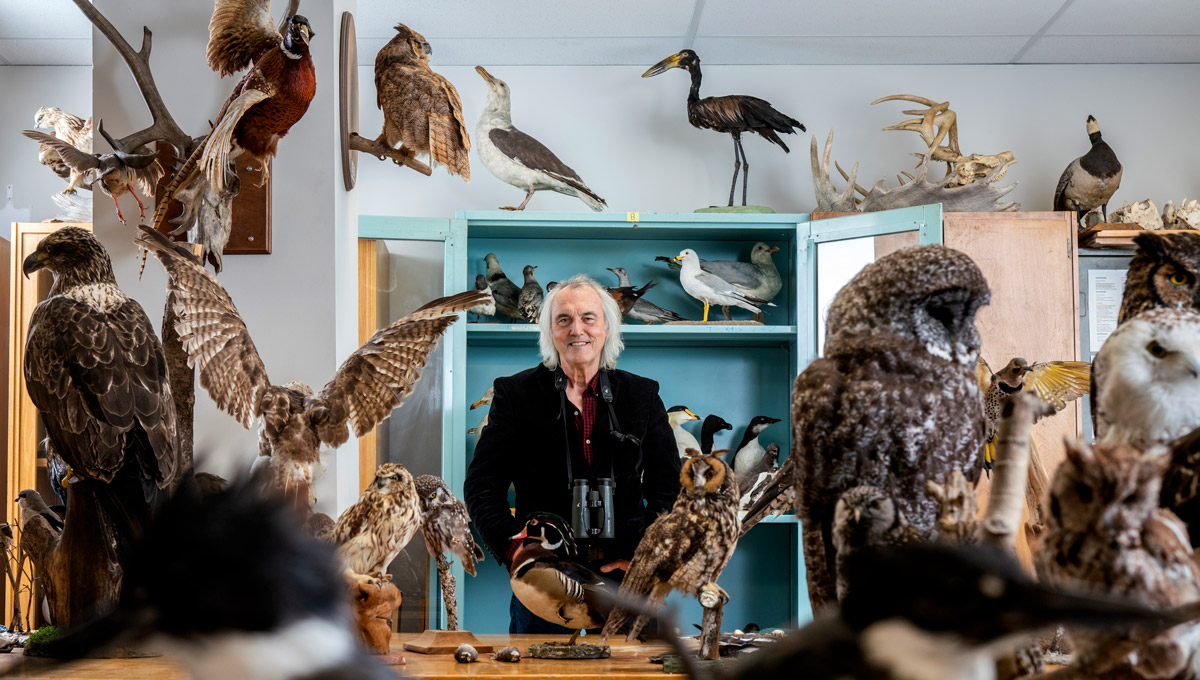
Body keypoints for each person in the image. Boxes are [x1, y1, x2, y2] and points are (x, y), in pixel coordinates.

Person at [464, 273, 682, 634]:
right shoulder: (515, 395)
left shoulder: (641, 395)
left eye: (588, 318)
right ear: (550, 332)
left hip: (628, 584)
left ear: (607, 329)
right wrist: (516, 553)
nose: (576, 329)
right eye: (563, 320)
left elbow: (669, 488)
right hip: (544, 586)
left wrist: (645, 557)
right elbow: (483, 485)